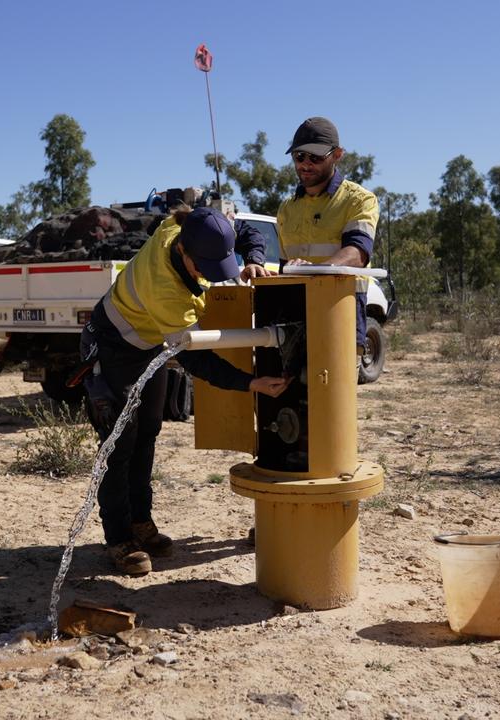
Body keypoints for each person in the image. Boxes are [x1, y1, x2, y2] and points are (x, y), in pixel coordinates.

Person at [79, 206, 288, 576]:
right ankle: (119, 539)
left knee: (148, 432)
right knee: (120, 440)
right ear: (183, 253)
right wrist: (249, 383)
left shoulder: (191, 229)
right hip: (114, 347)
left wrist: (254, 258)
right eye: (203, 267)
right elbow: (198, 361)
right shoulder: (165, 290)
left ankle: (141, 522)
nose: (209, 275)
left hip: (149, 343)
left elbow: (245, 232)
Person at [276, 116, 379, 350]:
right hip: (292, 318)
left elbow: (357, 254)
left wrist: (311, 271)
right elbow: (284, 267)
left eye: (316, 157)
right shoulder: (287, 208)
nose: (305, 163)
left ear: (337, 155)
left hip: (341, 311)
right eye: (299, 156)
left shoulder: (359, 199)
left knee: (332, 387)